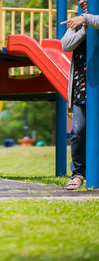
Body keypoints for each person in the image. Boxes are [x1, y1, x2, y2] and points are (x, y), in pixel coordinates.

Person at [60, 0, 99, 189]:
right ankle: (78, 173)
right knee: (78, 130)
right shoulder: (79, 21)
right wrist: (83, 25)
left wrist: (86, 19)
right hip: (82, 84)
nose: (83, 1)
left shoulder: (88, 18)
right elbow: (65, 45)